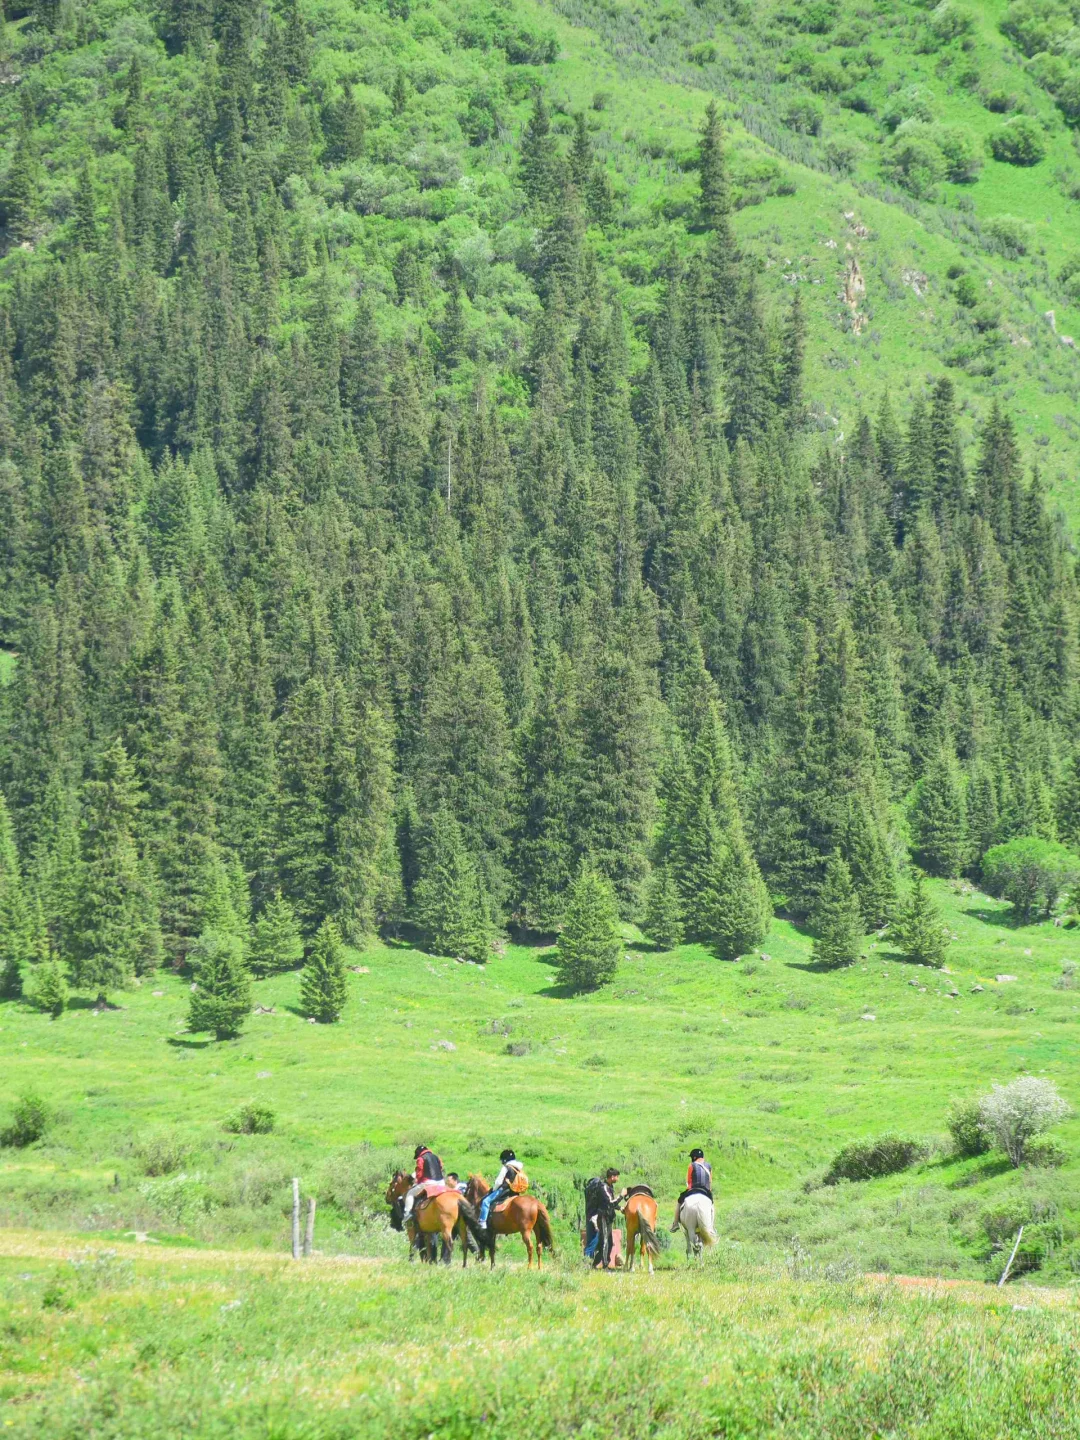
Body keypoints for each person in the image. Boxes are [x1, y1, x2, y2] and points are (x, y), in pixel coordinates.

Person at [480, 1148, 524, 1239]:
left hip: (504, 1191)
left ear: (505, 1160)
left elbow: (498, 1182)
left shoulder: (506, 1168)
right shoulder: (518, 1168)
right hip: (515, 1192)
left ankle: (482, 1222)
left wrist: (493, 1189)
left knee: (485, 1202)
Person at [401, 1143, 445, 1227]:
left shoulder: (421, 1158)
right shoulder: (435, 1156)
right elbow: (441, 1167)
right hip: (441, 1182)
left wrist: (417, 1181)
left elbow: (420, 1172)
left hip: (428, 1183)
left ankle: (407, 1214)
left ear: (418, 1153)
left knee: (410, 1194)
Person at [584, 1168, 620, 1268]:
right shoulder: (604, 1187)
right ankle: (603, 1265)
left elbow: (610, 1202)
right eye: (617, 1176)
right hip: (602, 1217)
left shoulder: (609, 1187)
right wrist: (621, 1196)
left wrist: (620, 1208)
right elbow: (609, 1202)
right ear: (612, 1177)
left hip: (607, 1217)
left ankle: (594, 1264)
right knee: (603, 1241)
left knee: (606, 1241)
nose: (618, 1179)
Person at [670, 1147, 712, 1231]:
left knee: (679, 1201)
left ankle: (675, 1223)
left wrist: (689, 1189)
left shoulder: (691, 1166)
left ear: (694, 1157)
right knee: (711, 1205)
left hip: (693, 1189)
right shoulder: (709, 1166)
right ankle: (711, 1227)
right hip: (706, 1191)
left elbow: (689, 1182)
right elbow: (710, 1181)